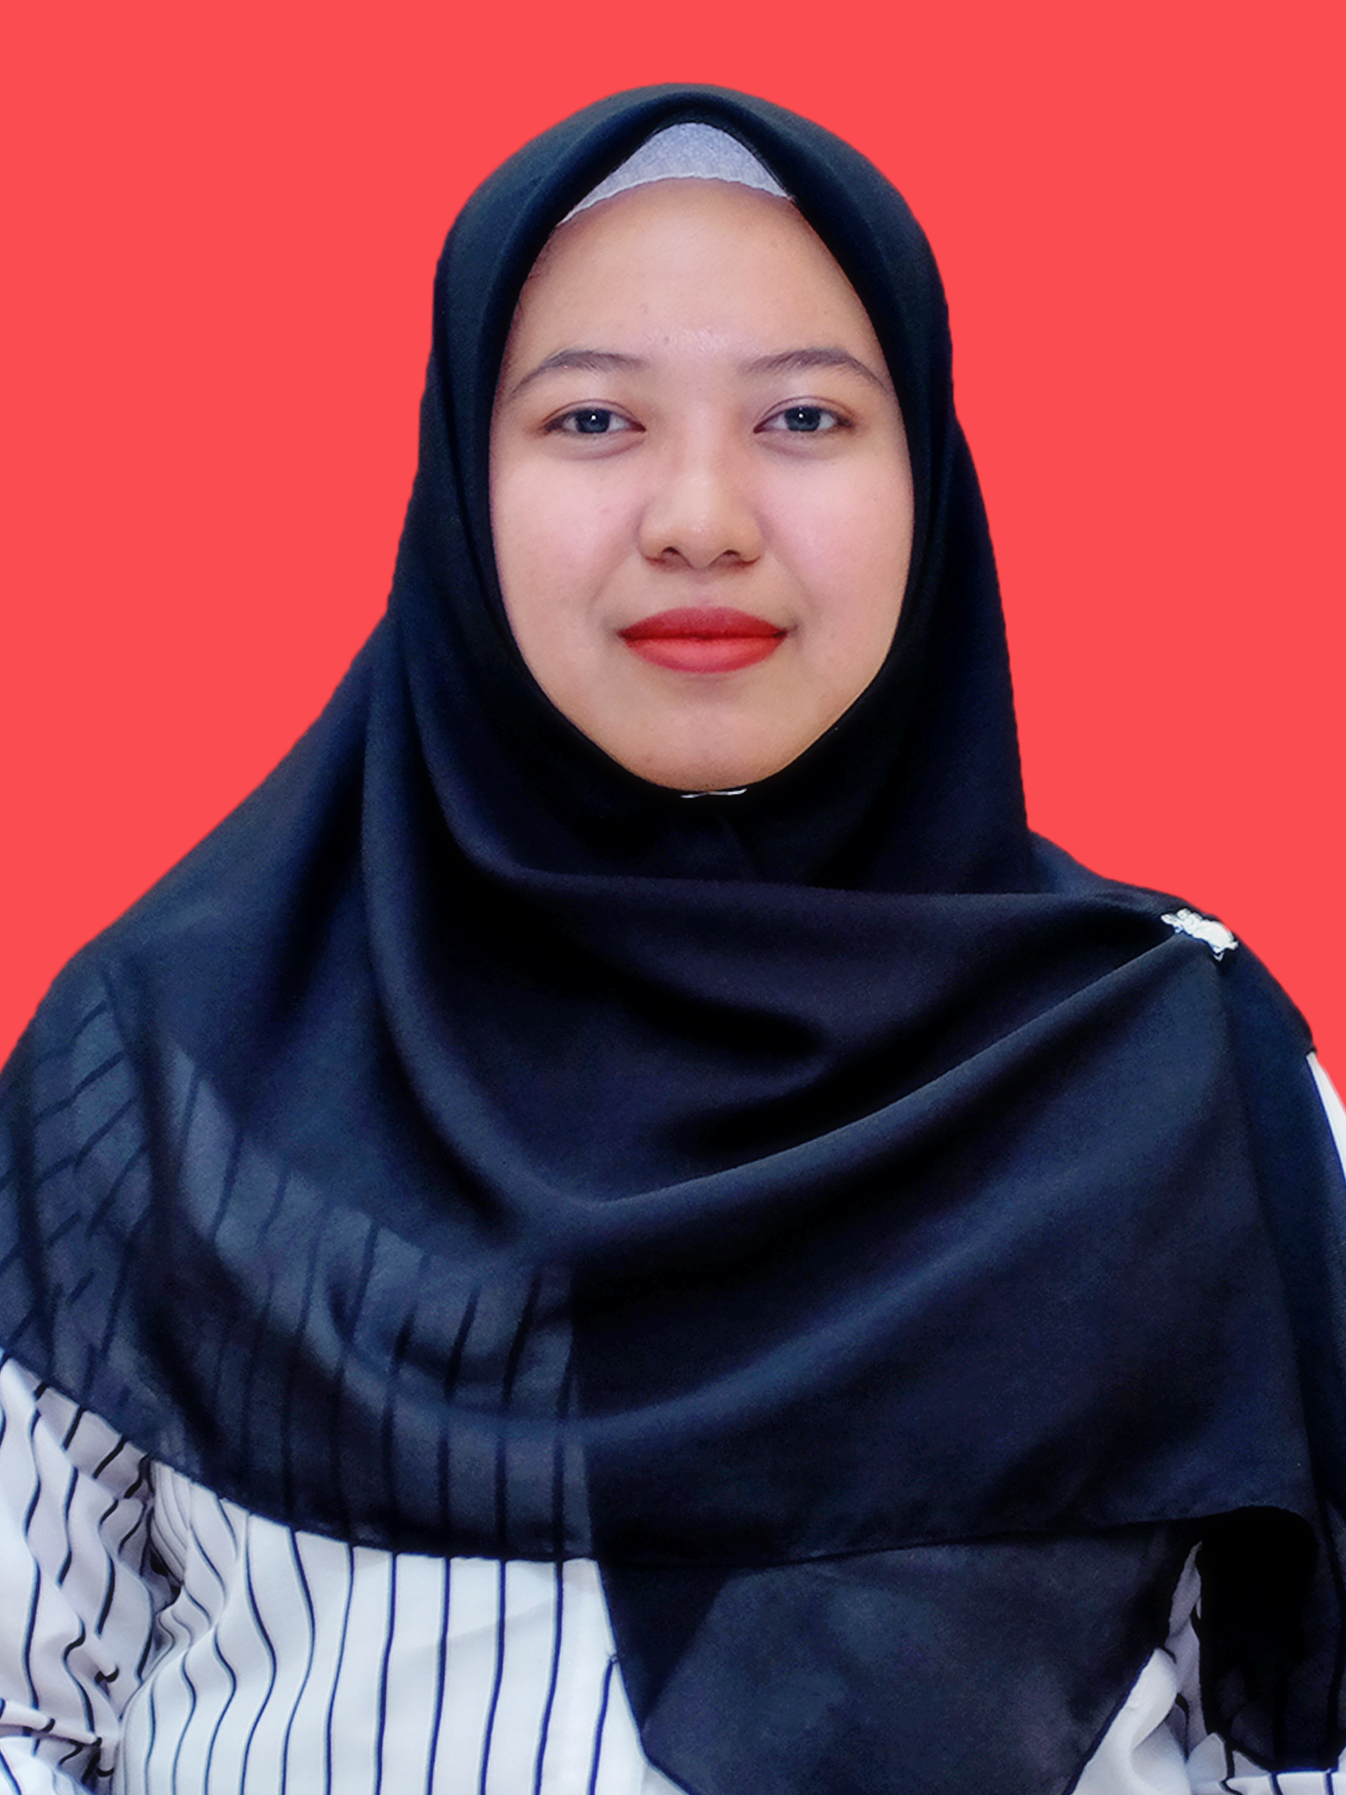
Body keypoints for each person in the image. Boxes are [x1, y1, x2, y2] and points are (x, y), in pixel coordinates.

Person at [1, 84, 1344, 1795]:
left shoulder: (1171, 1072)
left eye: (803, 417)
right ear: (459, 477)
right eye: (589, 420)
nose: (700, 514)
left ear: (927, 477)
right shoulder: (172, 1063)